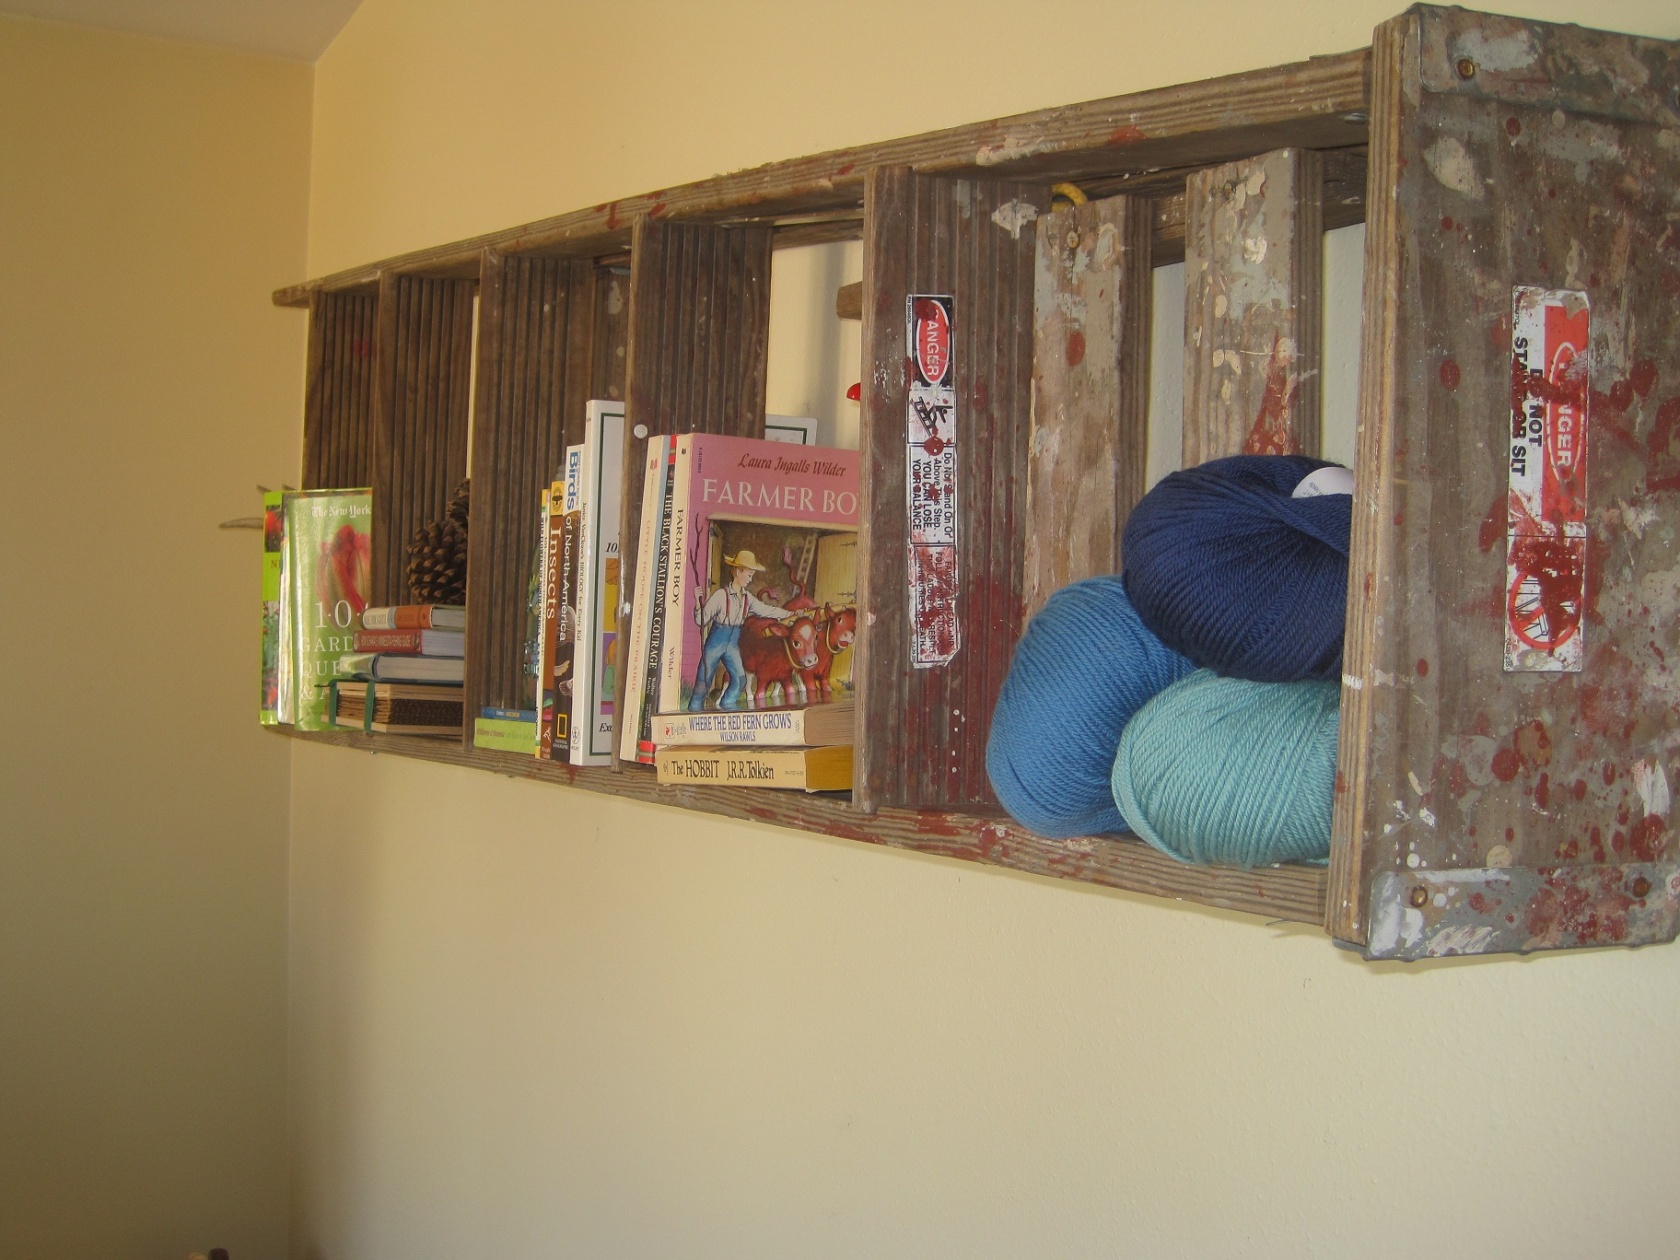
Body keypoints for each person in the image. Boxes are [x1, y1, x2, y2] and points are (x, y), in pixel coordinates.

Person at [690, 549, 788, 710]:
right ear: (737, 571)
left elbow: (766, 610)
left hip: (733, 642)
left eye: (752, 576)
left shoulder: (747, 598)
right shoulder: (720, 595)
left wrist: (790, 613)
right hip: (716, 639)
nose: (750, 579)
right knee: (704, 680)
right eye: (749, 575)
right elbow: (701, 620)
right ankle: (693, 712)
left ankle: (726, 708)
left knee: (740, 680)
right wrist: (696, 602)